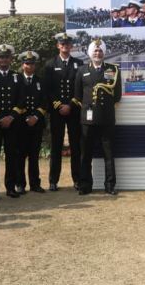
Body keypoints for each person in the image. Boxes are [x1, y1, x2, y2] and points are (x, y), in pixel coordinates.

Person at [74, 39, 122, 195]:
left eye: (100, 50)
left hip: (106, 117)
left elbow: (117, 95)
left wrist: (104, 108)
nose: (98, 53)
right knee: (86, 154)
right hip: (88, 118)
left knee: (109, 153)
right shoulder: (82, 70)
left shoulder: (112, 70)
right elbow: (77, 95)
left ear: (104, 53)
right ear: (90, 53)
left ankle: (110, 185)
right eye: (95, 50)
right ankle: (85, 185)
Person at [44, 33, 83, 191]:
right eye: (62, 43)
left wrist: (71, 105)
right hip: (57, 111)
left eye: (67, 43)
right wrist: (59, 105)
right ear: (58, 46)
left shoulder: (79, 63)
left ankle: (77, 179)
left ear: (71, 46)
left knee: (76, 146)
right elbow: (48, 89)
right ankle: (53, 180)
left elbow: (80, 88)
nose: (65, 46)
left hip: (73, 110)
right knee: (56, 145)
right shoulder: (50, 64)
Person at [0, 44, 22, 199]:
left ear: (11, 59)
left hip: (13, 123)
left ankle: (10, 187)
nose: (4, 60)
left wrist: (11, 117)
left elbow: (21, 99)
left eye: (7, 57)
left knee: (11, 155)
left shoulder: (17, 77)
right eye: (1, 57)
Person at [16, 51, 49, 193]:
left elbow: (45, 101)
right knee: (20, 155)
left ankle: (35, 183)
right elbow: (15, 100)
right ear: (22, 65)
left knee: (34, 155)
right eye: (27, 63)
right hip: (21, 123)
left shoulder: (41, 81)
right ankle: (20, 184)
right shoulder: (17, 80)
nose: (29, 66)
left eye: (32, 64)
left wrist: (35, 117)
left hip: (36, 123)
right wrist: (25, 117)